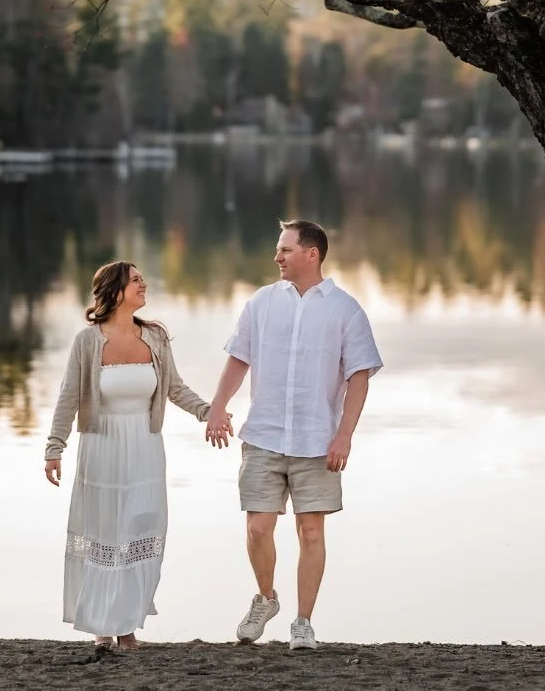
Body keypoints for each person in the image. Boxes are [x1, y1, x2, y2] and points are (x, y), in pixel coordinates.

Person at [205, 219, 382, 652]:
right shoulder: (262, 303)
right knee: (258, 528)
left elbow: (360, 377)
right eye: (277, 250)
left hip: (317, 440)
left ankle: (303, 622)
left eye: (284, 250)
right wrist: (217, 406)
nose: (277, 257)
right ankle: (266, 599)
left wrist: (345, 435)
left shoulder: (345, 309)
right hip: (263, 434)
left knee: (312, 532)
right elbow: (238, 359)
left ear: (311, 254)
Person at [45, 260, 231, 651]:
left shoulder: (156, 337)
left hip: (144, 449)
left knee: (138, 531)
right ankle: (101, 626)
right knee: (102, 533)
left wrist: (208, 412)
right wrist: (54, 447)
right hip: (102, 448)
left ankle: (127, 624)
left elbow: (174, 388)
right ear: (114, 291)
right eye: (135, 281)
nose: (144, 284)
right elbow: (68, 398)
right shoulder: (87, 341)